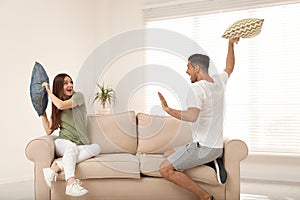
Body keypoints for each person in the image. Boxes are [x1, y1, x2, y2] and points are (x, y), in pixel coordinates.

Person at [158, 37, 240, 200]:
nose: (186, 71)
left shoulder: (196, 88)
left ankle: (205, 197)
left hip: (204, 147)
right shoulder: (218, 82)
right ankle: (213, 161)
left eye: (188, 67)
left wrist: (168, 109)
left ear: (197, 68)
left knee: (164, 170)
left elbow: (192, 116)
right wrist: (230, 44)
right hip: (211, 147)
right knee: (168, 153)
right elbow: (229, 67)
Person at [41, 73, 101, 197]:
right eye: (66, 83)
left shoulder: (78, 96)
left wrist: (48, 91)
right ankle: (71, 183)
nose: (70, 85)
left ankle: (55, 168)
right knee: (71, 147)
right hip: (62, 142)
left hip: (80, 145)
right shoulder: (56, 108)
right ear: (59, 87)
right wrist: (41, 112)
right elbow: (48, 130)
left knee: (96, 148)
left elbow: (61, 105)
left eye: (71, 82)